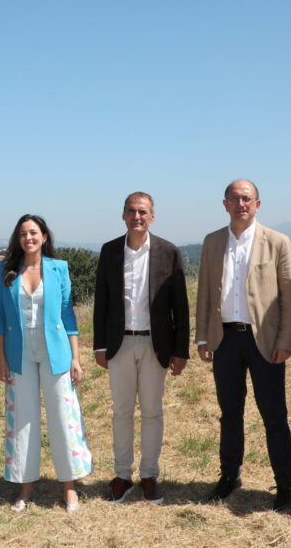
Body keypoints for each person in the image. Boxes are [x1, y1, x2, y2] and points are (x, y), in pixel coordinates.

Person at [195, 180, 291, 511]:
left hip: (264, 341)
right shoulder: (212, 241)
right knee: (230, 413)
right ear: (225, 204)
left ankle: (285, 484)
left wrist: (286, 340)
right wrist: (202, 336)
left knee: (274, 414)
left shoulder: (277, 242)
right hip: (225, 338)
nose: (241, 204)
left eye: (247, 198)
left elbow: (290, 298)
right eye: (235, 199)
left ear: (257, 204)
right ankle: (230, 476)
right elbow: (204, 291)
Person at [93, 192, 190, 505]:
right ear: (123, 215)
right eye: (132, 211)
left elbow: (180, 306)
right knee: (121, 412)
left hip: (155, 344)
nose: (137, 217)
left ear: (152, 216)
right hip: (119, 344)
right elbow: (101, 301)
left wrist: (181, 350)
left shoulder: (168, 252)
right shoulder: (109, 251)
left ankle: (149, 475)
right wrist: (99, 345)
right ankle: (122, 475)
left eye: (143, 212)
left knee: (152, 412)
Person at [0, 214, 92, 513]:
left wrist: (75, 358)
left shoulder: (59, 268)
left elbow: (68, 315)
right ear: (18, 238)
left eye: (34, 232)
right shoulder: (5, 270)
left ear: (44, 236)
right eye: (23, 233)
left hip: (56, 352)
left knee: (63, 416)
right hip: (18, 352)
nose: (29, 238)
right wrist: (0, 358)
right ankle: (25, 484)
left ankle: (69, 486)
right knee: (22, 417)